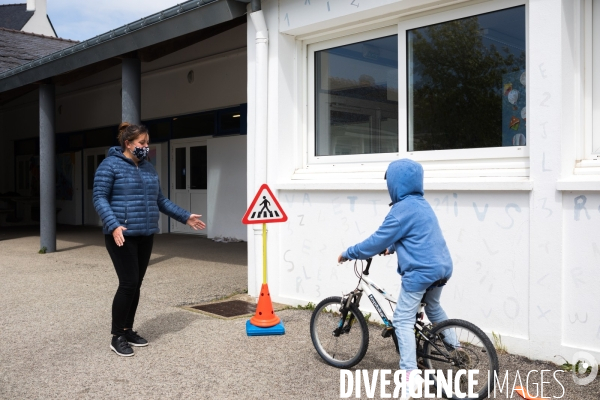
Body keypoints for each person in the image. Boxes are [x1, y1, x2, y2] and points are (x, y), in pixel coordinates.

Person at [337, 159, 456, 399]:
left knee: (401, 319)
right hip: (442, 267)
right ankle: (456, 351)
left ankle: (410, 378)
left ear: (395, 183)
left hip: (421, 272)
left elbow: (375, 241)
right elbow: (415, 235)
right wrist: (392, 248)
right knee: (433, 307)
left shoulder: (400, 210)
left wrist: (349, 253)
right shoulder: (422, 204)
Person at [93, 122, 206, 357]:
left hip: (145, 234)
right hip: (121, 235)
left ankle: (127, 329)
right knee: (128, 283)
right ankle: (117, 336)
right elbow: (100, 198)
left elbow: (160, 200)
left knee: (136, 284)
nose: (146, 147)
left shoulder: (148, 168)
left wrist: (185, 217)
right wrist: (113, 226)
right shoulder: (109, 165)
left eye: (147, 142)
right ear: (128, 143)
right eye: (142, 143)